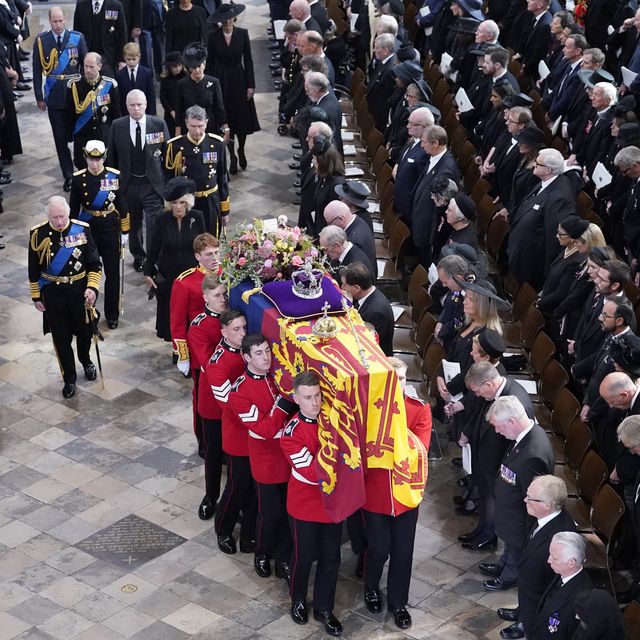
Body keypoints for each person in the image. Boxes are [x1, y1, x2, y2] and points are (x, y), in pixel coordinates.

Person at [362, 357, 431, 630]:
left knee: (403, 552)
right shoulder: (367, 407)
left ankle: (399, 603)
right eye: (392, 379)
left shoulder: (418, 409)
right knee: (377, 549)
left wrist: (391, 431)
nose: (397, 384)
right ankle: (370, 588)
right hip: (376, 492)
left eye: (401, 379)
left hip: (406, 495)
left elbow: (419, 450)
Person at [280, 372, 343, 636]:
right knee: (304, 556)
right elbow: (311, 471)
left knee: (331, 557)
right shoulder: (291, 432)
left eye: (318, 395)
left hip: (331, 504)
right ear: (296, 399)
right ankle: (297, 599)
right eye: (308, 397)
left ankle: (324, 607)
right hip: (305, 503)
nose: (315, 402)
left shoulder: (333, 420)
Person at [228, 334, 295, 582]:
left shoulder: (279, 376)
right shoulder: (240, 392)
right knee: (269, 513)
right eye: (258, 353)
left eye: (267, 351)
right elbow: (265, 430)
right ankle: (262, 553)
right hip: (265, 460)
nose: (266, 357)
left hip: (288, 456)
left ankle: (284, 557)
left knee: (289, 512)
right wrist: (283, 405)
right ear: (246, 357)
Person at [28, 196, 102, 399]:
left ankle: (85, 360)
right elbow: (33, 268)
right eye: (54, 218)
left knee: (85, 332)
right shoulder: (38, 234)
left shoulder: (82, 229)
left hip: (79, 292)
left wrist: (92, 288)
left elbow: (94, 264)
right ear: (48, 217)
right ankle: (69, 377)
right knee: (61, 338)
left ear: (68, 213)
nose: (59, 221)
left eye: (62, 216)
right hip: (53, 294)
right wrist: (36, 296)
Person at [481, 396, 554, 592]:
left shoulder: (533, 454)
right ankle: (503, 565)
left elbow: (534, 497)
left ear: (512, 422)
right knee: (509, 546)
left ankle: (510, 576)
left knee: (516, 547)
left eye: (499, 426)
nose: (497, 431)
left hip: (519, 518)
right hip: (509, 513)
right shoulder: (523, 436)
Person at [459, 362, 534, 550]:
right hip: (485, 457)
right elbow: (479, 415)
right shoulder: (494, 393)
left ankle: (488, 536)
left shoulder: (515, 398)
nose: (477, 395)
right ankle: (481, 530)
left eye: (478, 391)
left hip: (497, 463)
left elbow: (517, 441)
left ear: (488, 384)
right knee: (485, 498)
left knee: (492, 499)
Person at [495, 475, 577, 640]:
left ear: (547, 505)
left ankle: (526, 623)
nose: (525, 500)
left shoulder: (560, 536)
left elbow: (554, 582)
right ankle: (522, 613)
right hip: (529, 587)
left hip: (538, 595)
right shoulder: (541, 516)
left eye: (530, 498)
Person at [207, 310, 256, 554]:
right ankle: (223, 528)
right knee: (237, 486)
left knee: (251, 486)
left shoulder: (249, 351)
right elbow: (227, 403)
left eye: (244, 327)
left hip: (254, 432)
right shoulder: (218, 362)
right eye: (236, 329)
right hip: (238, 433)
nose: (242, 333)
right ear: (224, 332)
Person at [69, 140, 130, 330]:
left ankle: (112, 314)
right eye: (90, 159)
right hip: (89, 228)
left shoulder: (113, 176)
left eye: (97, 159)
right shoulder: (79, 179)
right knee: (89, 273)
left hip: (110, 227)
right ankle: (91, 312)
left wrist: (125, 231)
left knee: (112, 274)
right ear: (85, 157)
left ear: (104, 158)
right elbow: (72, 211)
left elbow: (122, 204)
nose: (94, 164)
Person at [107, 88, 169, 272]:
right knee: (133, 225)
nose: (136, 109)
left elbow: (168, 156)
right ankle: (139, 256)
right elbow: (112, 158)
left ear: (146, 105)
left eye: (139, 105)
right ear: (126, 106)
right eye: (132, 105)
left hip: (152, 185)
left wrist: (166, 185)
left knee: (154, 224)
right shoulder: (117, 126)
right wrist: (114, 187)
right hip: (128, 186)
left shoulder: (158, 124)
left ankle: (154, 256)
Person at [143, 177, 206, 342]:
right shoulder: (162, 220)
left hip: (192, 275)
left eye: (182, 203)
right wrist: (147, 272)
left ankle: (193, 342)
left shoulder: (197, 217)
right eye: (175, 203)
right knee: (173, 313)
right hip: (169, 276)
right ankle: (178, 348)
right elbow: (153, 248)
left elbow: (204, 244)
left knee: (191, 311)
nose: (178, 207)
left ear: (188, 203)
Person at [32, 6, 87, 192]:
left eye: (60, 20)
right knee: (60, 138)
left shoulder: (77, 38)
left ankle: (82, 170)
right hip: (54, 96)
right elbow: (36, 70)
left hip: (74, 96)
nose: (58, 24)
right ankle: (68, 175)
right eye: (54, 21)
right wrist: (39, 97)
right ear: (49, 21)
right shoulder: (42, 41)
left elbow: (85, 67)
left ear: (65, 19)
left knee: (78, 134)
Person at [507, 148, 576, 290]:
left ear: (549, 170)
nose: (533, 165)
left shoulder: (559, 198)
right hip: (520, 252)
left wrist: (546, 274)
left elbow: (553, 239)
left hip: (531, 261)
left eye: (537, 164)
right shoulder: (546, 181)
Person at [188, 274, 227, 516]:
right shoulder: (200, 325)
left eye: (224, 294)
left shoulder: (233, 316)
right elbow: (209, 363)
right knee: (213, 452)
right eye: (217, 296)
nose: (223, 299)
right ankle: (210, 495)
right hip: (212, 398)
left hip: (235, 397)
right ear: (205, 297)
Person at [205, 3, 260, 174]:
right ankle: (231, 155)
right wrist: (208, 86)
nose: (227, 22)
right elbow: (210, 63)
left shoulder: (242, 34)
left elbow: (249, 60)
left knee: (241, 118)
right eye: (224, 20)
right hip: (221, 80)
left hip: (239, 78)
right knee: (225, 118)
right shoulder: (213, 37)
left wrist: (251, 85)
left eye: (229, 19)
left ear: (234, 18)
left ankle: (241, 150)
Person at [165, 105, 230, 236]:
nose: (197, 131)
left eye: (200, 126)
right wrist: (170, 208)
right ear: (186, 123)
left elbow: (222, 179)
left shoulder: (217, 144)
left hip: (210, 201)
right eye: (193, 126)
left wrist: (225, 211)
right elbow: (168, 180)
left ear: (206, 123)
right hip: (186, 203)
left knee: (210, 240)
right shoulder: (175, 146)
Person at [530, 532, 593, 639]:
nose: (549, 560)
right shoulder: (564, 573)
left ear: (571, 563)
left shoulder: (581, 600)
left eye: (555, 558)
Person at [67, 52, 120, 170]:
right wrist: (69, 136)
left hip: (103, 134)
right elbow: (69, 114)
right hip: (83, 134)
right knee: (83, 169)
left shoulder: (110, 84)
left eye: (91, 67)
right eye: (86, 66)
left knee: (106, 167)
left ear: (99, 66)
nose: (88, 70)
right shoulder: (74, 85)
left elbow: (116, 113)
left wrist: (116, 135)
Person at [175, 42, 229, 139]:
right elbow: (179, 110)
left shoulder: (214, 82)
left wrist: (226, 128)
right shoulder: (181, 84)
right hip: (189, 129)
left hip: (210, 127)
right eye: (194, 68)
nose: (197, 70)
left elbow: (219, 108)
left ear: (204, 65)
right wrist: (177, 131)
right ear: (190, 69)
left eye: (199, 66)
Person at [341, 262, 395, 356]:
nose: (342, 287)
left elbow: (369, 346)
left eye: (344, 285)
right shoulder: (364, 297)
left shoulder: (377, 313)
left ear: (357, 288)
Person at [73, 0, 128, 76]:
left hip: (108, 57)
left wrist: (122, 59)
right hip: (86, 57)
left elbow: (122, 34)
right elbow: (76, 34)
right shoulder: (81, 5)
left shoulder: (116, 6)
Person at [323, 200, 376, 278]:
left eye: (329, 223)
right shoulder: (357, 220)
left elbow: (350, 273)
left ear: (340, 219)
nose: (329, 226)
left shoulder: (354, 240)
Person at [115, 41, 156, 115]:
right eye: (128, 59)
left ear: (139, 56)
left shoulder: (147, 73)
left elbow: (151, 96)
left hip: (143, 112)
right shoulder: (119, 75)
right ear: (124, 57)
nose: (131, 62)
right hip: (126, 113)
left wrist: (152, 115)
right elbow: (119, 98)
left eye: (134, 59)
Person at [159, 51, 186, 137]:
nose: (178, 68)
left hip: (185, 113)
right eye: (175, 66)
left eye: (179, 65)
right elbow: (163, 98)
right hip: (170, 114)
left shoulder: (186, 77)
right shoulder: (165, 80)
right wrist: (171, 111)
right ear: (169, 67)